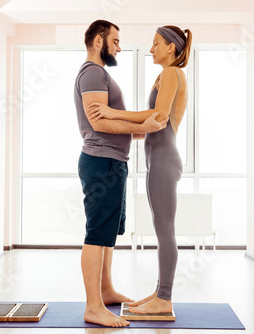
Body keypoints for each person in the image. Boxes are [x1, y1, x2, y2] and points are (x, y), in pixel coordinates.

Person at [87, 25, 192, 315]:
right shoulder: (166, 74)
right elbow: (153, 119)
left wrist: (112, 112)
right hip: (157, 159)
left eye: (156, 43)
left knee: (165, 230)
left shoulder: (172, 73)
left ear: (171, 47)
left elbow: (159, 116)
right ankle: (160, 294)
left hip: (164, 160)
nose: (151, 48)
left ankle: (165, 299)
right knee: (162, 229)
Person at [74, 20, 168, 327]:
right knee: (97, 232)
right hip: (101, 162)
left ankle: (107, 290)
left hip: (113, 162)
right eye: (115, 40)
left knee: (109, 231)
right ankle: (93, 307)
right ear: (99, 40)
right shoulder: (92, 72)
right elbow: (99, 122)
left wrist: (141, 130)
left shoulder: (101, 74)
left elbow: (116, 124)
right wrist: (142, 126)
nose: (119, 46)